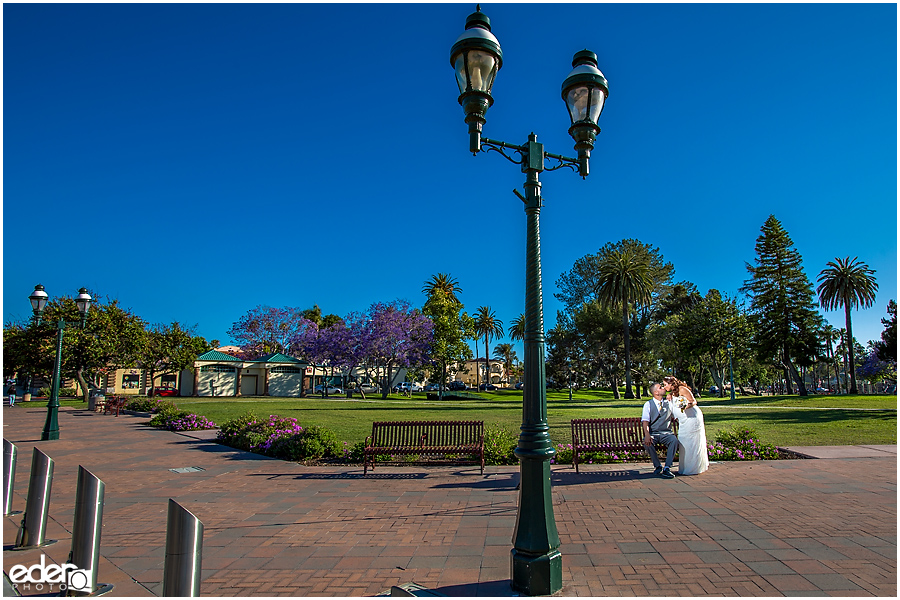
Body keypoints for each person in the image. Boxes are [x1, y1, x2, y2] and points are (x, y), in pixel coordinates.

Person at [662, 375, 708, 475]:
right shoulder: (673, 392)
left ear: (671, 384)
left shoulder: (682, 389)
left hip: (692, 419)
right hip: (683, 421)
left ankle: (692, 468)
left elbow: (693, 401)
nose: (664, 387)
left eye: (665, 385)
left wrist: (685, 407)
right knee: (684, 443)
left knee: (691, 443)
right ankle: (684, 467)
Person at [641, 383, 679, 479]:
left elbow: (677, 415)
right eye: (660, 388)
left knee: (673, 441)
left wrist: (672, 394)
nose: (663, 388)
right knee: (647, 443)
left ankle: (667, 468)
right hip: (654, 433)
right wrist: (647, 435)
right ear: (656, 392)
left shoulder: (669, 402)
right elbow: (645, 422)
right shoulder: (648, 404)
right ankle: (657, 466)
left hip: (666, 433)